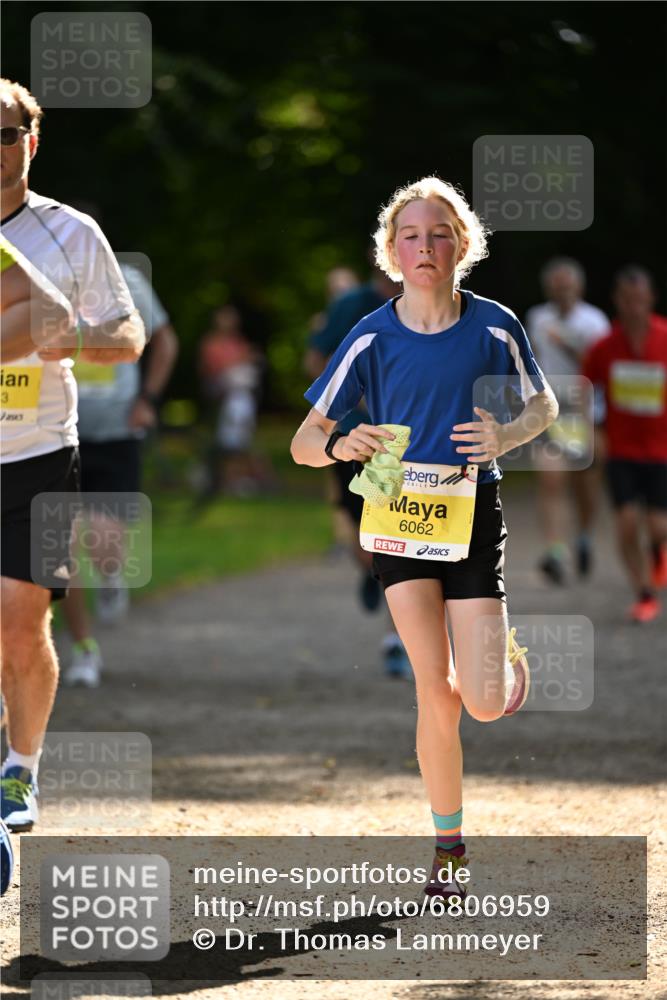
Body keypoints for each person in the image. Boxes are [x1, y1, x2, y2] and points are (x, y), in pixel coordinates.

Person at [291, 177, 558, 898]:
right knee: (431, 693)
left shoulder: (494, 324)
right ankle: (448, 849)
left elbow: (544, 404)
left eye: (437, 233)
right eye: (409, 235)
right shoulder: (372, 334)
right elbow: (302, 442)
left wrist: (503, 433)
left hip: (471, 516)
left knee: (478, 700)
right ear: (389, 252)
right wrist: (343, 442)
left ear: (461, 245)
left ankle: (499, 655)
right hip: (397, 524)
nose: (424, 246)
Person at [0, 78, 145, 832]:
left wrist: (66, 339)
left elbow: (127, 338)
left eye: (5, 133)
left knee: (22, 623)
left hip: (37, 454)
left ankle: (20, 771)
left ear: (32, 139)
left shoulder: (68, 233)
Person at [61, 261, 179, 687]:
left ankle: (111, 576)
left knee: (105, 541)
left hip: (116, 433)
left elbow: (166, 341)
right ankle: (83, 650)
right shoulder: (35, 278)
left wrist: (148, 398)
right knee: (63, 545)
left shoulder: (125, 281)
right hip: (57, 434)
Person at [303, 261, 411, 676]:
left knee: (395, 536)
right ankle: (372, 572)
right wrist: (343, 400)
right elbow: (315, 359)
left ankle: (395, 640)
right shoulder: (352, 307)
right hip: (351, 440)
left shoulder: (429, 305)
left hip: (401, 443)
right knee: (363, 534)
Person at [582, 266, 667, 623]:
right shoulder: (603, 348)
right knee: (627, 523)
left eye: (640, 299)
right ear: (618, 301)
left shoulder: (664, 338)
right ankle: (643, 592)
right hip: (621, 450)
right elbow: (587, 394)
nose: (634, 306)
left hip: (661, 451)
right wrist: (595, 434)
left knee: (658, 526)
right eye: (627, 300)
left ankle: (659, 551)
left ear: (650, 299)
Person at [526, 258, 610, 583]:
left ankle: (585, 536)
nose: (562, 292)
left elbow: (599, 367)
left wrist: (568, 345)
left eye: (567, 286)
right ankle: (555, 552)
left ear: (579, 287)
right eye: (556, 286)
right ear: (549, 288)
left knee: (584, 487)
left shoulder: (594, 321)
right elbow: (530, 357)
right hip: (551, 410)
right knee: (550, 481)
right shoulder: (537, 317)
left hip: (585, 412)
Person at [198, 304, 264, 496]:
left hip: (242, 397)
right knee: (230, 440)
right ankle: (227, 477)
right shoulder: (211, 343)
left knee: (242, 438)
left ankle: (240, 477)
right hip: (224, 397)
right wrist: (242, 360)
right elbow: (212, 369)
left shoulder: (239, 342)